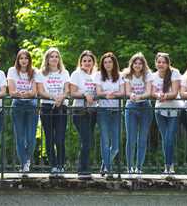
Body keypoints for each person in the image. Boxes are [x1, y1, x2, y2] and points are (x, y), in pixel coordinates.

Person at [36, 47, 70, 175]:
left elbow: (67, 89)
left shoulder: (64, 72)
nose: (54, 59)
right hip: (46, 107)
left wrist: (61, 98)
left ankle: (61, 164)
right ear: (47, 59)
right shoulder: (41, 74)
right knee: (49, 138)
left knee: (60, 138)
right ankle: (53, 165)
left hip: (61, 107)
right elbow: (40, 91)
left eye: (56, 56)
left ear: (59, 59)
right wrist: (53, 97)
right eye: (51, 56)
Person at [7, 49, 38, 176]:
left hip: (31, 105)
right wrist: (21, 94)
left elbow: (34, 92)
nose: (24, 61)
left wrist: (26, 94)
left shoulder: (34, 72)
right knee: (20, 137)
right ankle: (24, 164)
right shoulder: (12, 71)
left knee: (31, 138)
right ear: (18, 60)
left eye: (26, 58)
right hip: (17, 105)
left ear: (29, 60)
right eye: (21, 58)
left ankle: (27, 159)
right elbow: (11, 91)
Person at [151, 52, 182, 175]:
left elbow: (174, 93)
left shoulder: (175, 73)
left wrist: (165, 96)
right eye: (159, 62)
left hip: (174, 109)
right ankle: (167, 166)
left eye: (164, 62)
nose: (161, 64)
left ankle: (170, 165)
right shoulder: (153, 76)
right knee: (165, 139)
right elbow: (152, 92)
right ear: (155, 63)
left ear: (168, 63)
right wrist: (158, 95)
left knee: (169, 138)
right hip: (160, 110)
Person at [123, 52, 153, 176]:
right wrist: (132, 95)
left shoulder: (148, 75)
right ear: (132, 64)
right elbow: (128, 91)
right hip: (131, 107)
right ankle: (130, 167)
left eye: (140, 63)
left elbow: (149, 92)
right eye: (135, 63)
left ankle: (139, 167)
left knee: (142, 139)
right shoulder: (127, 75)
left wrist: (139, 96)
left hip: (145, 106)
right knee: (131, 138)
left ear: (143, 65)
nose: (138, 65)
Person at [95, 52, 125, 178]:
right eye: (105, 62)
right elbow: (98, 92)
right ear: (103, 64)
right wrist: (107, 94)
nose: (107, 64)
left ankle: (104, 164)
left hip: (116, 111)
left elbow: (123, 92)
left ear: (114, 63)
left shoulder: (120, 76)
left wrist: (113, 94)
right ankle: (108, 169)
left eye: (110, 62)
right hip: (103, 111)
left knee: (116, 146)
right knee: (105, 142)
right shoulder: (98, 75)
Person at [70, 50, 98, 179]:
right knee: (86, 139)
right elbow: (72, 93)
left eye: (89, 61)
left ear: (93, 62)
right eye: (84, 61)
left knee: (88, 140)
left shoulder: (96, 75)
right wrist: (84, 95)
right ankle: (82, 169)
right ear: (80, 62)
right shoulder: (76, 74)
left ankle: (86, 167)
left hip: (93, 111)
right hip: (79, 110)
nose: (87, 63)